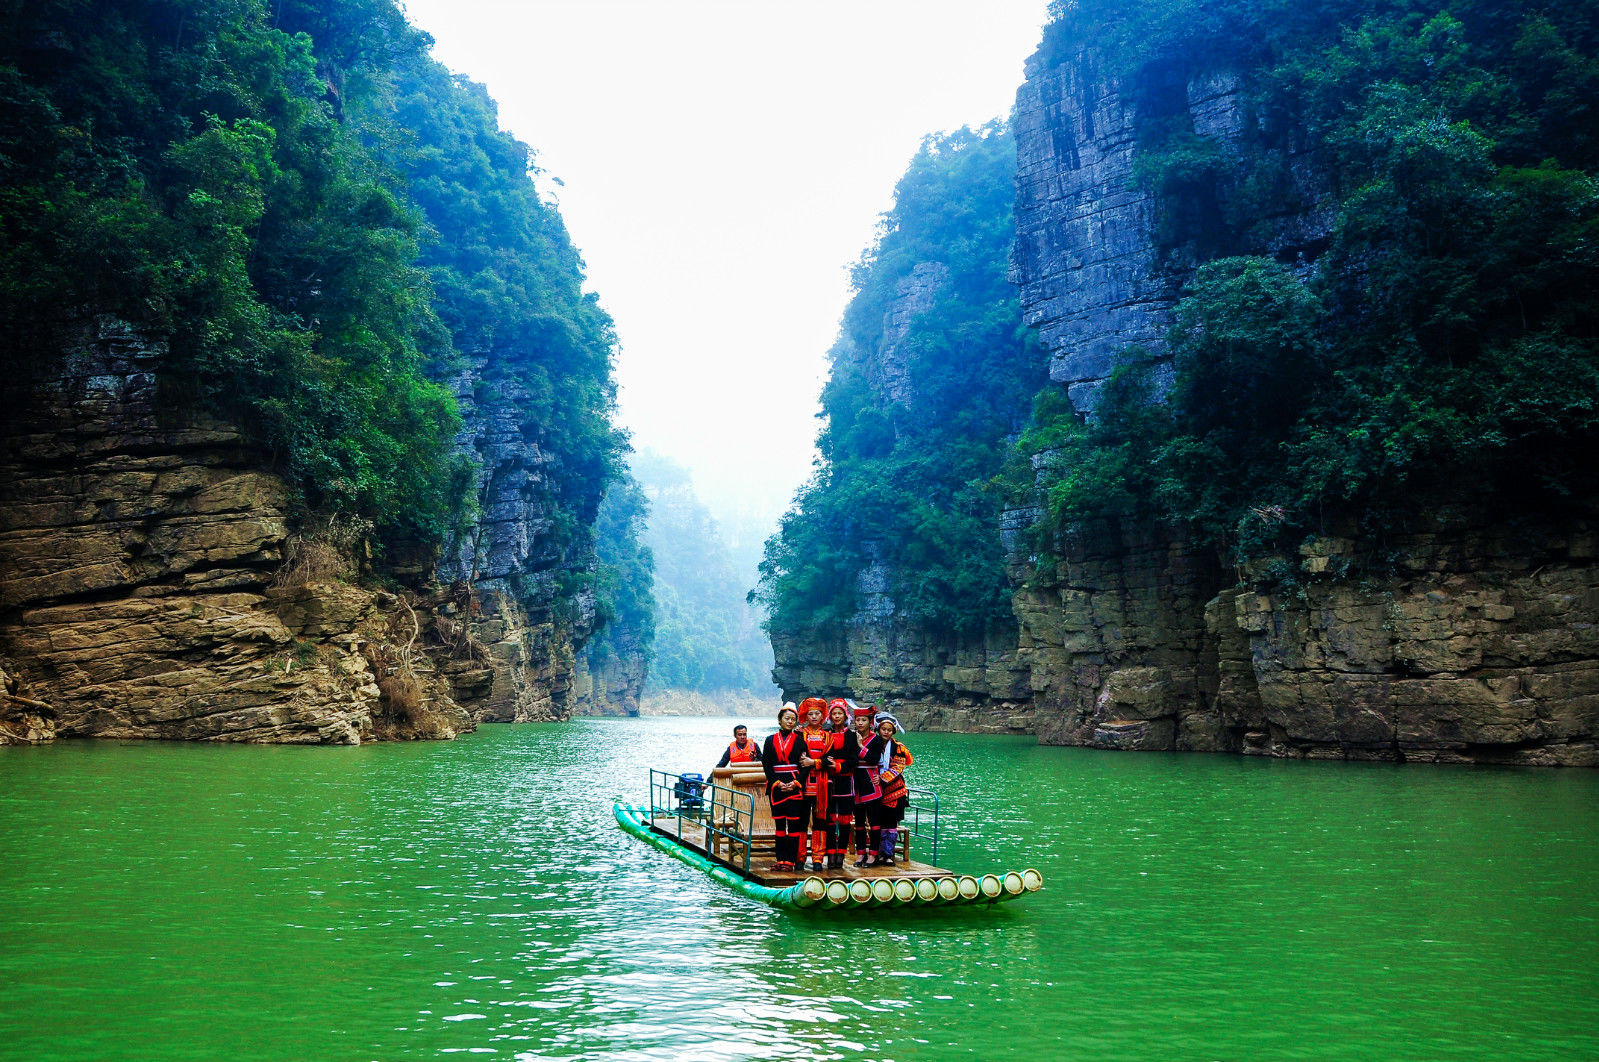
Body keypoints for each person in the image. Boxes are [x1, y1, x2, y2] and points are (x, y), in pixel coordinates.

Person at [760, 705, 806, 872]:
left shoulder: (801, 740)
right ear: (779, 720)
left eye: (793, 719)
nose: (790, 721)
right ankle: (780, 859)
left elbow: (805, 765)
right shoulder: (769, 740)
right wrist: (776, 783)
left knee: (793, 825)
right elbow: (766, 764)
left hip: (794, 785)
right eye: (787, 718)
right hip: (776, 786)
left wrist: (796, 783)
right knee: (779, 825)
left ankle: (791, 861)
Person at [863, 716, 913, 866]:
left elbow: (898, 767)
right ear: (878, 729)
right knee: (877, 822)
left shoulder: (898, 747)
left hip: (894, 790)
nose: (886, 732)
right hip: (875, 787)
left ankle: (888, 854)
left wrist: (882, 779)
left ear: (893, 731)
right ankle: (876, 852)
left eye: (889, 730)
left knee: (891, 824)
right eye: (884, 729)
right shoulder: (872, 743)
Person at [818, 699, 858, 870]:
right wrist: (828, 763)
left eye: (839, 713)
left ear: (845, 715)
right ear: (830, 716)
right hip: (827, 780)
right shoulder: (824, 733)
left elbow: (854, 759)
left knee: (843, 820)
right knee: (828, 819)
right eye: (834, 713)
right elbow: (818, 752)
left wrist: (840, 766)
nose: (836, 716)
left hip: (846, 779)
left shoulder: (851, 735)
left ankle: (840, 853)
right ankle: (830, 853)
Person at [796, 697, 832, 871]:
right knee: (801, 821)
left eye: (817, 713)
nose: (814, 716)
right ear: (806, 715)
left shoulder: (828, 736)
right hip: (803, 784)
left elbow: (829, 759)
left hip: (822, 784)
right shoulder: (799, 733)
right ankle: (800, 857)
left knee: (820, 821)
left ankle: (818, 858)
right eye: (810, 713)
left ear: (822, 716)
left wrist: (813, 762)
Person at [849, 704, 882, 866]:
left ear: (870, 722)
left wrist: (861, 746)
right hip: (856, 783)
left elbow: (874, 759)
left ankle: (873, 854)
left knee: (874, 821)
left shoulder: (876, 739)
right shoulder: (851, 737)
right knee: (859, 822)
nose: (860, 723)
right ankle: (860, 853)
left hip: (871, 783)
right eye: (857, 720)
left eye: (864, 720)